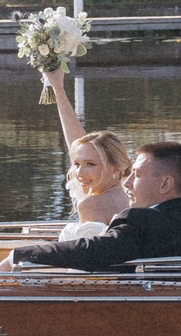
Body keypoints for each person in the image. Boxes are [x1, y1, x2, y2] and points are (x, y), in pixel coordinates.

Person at [10, 141, 181, 272]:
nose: (126, 183)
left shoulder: (140, 223)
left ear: (166, 183)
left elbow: (93, 251)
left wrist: (22, 254)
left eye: (136, 175)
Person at [40, 69, 130, 226]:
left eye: (90, 164)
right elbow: (77, 143)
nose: (79, 173)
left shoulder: (91, 204)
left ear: (115, 168)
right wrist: (58, 89)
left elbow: (90, 251)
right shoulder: (136, 194)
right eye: (77, 164)